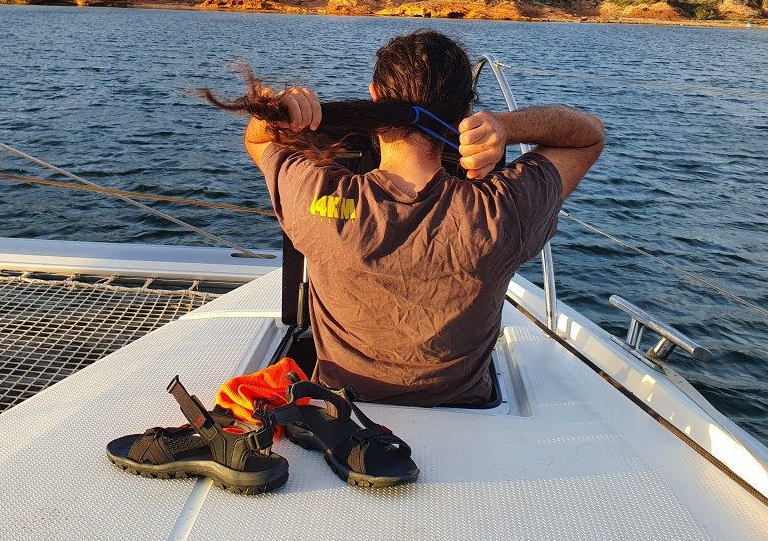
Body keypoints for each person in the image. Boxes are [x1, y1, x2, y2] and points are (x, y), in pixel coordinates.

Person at [202, 30, 604, 407]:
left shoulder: (316, 198)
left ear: (375, 98)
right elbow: (589, 135)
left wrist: (279, 111)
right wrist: (506, 125)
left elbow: (258, 139)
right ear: (466, 111)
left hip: (341, 417)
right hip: (467, 413)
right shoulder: (502, 213)